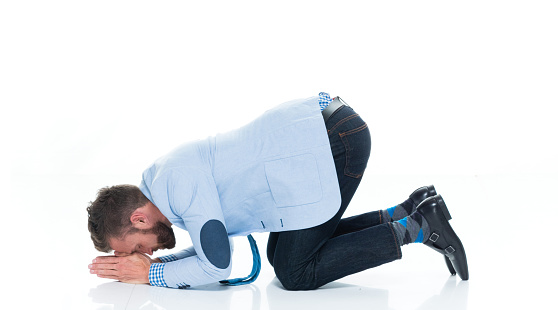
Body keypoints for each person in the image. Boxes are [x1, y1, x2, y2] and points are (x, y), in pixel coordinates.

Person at [87, 93, 468, 290]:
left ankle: (418, 227)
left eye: (138, 247)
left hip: (334, 142)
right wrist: (154, 267)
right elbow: (211, 251)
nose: (148, 252)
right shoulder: (165, 184)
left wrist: (149, 276)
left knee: (294, 271)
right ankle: (406, 211)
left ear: (138, 219)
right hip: (325, 135)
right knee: (280, 253)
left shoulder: (177, 185)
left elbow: (218, 263)